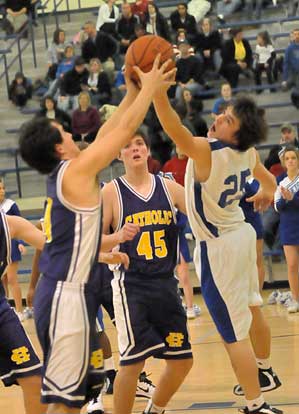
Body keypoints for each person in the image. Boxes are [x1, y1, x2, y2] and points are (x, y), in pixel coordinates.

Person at [18, 55, 176, 414]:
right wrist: (148, 91)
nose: (72, 134)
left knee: (70, 401)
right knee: (64, 403)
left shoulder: (72, 172)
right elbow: (119, 135)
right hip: (63, 296)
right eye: (65, 133)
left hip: (69, 293)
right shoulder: (72, 173)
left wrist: (131, 92)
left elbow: (108, 132)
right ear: (59, 148)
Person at [153, 86, 282, 414]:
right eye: (222, 114)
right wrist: (265, 195)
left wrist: (156, 92)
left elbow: (172, 127)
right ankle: (264, 371)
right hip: (241, 235)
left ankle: (256, 403)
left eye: (227, 119)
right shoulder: (248, 152)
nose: (218, 119)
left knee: (231, 333)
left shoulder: (206, 150)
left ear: (236, 134)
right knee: (253, 307)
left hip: (218, 248)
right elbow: (271, 185)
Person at [101, 130, 193, 414]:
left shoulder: (169, 188)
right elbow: (90, 242)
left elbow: (202, 214)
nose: (135, 148)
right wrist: (115, 243)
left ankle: (155, 409)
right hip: (132, 287)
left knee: (182, 360)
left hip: (166, 284)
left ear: (149, 150)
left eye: (139, 143)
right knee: (132, 363)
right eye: (127, 146)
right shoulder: (111, 192)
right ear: (119, 155)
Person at [0, 210, 45, 414]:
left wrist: (101, 253)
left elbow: (56, 247)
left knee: (33, 377)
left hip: (1, 310)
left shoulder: (10, 224)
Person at [274, 146, 299, 313]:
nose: (290, 160)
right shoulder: (280, 181)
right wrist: (286, 200)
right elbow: (277, 206)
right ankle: (296, 300)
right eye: (287, 158)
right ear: (284, 162)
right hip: (288, 226)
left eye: (294, 157)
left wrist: (293, 198)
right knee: (292, 265)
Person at [0, 179, 26, 320]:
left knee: (12, 278)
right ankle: (6, 308)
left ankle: (19, 310)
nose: (2, 191)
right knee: (2, 279)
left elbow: (21, 224)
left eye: (3, 188)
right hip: (0, 247)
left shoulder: (11, 205)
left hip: (12, 246)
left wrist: (21, 242)